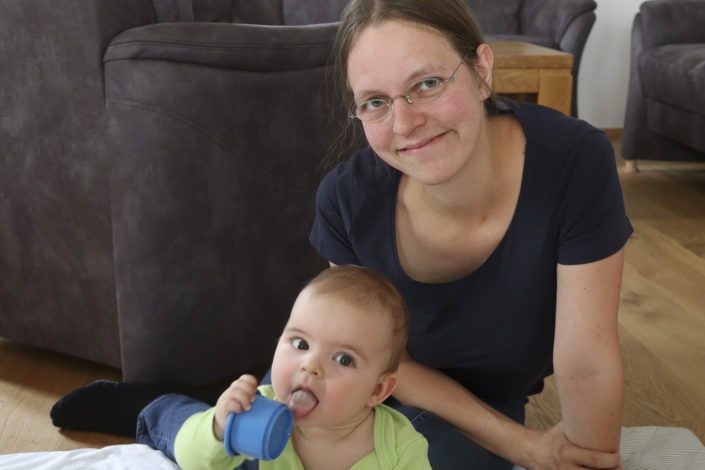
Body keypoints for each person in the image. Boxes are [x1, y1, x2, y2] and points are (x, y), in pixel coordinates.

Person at [52, 0, 632, 469]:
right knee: (252, 451)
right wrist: (526, 447)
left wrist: (578, 457)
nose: (404, 123)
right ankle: (162, 412)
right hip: (359, 375)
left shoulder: (573, 160)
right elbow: (373, 354)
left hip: (483, 399)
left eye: (428, 83)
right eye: (376, 102)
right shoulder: (348, 199)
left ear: (481, 71)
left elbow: (585, 355)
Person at [56, 266, 431, 470]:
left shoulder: (400, 451)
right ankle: (149, 406)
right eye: (300, 343)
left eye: (343, 359)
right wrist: (220, 430)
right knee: (190, 429)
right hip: (230, 451)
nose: (310, 366)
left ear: (379, 391)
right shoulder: (260, 406)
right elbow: (196, 461)